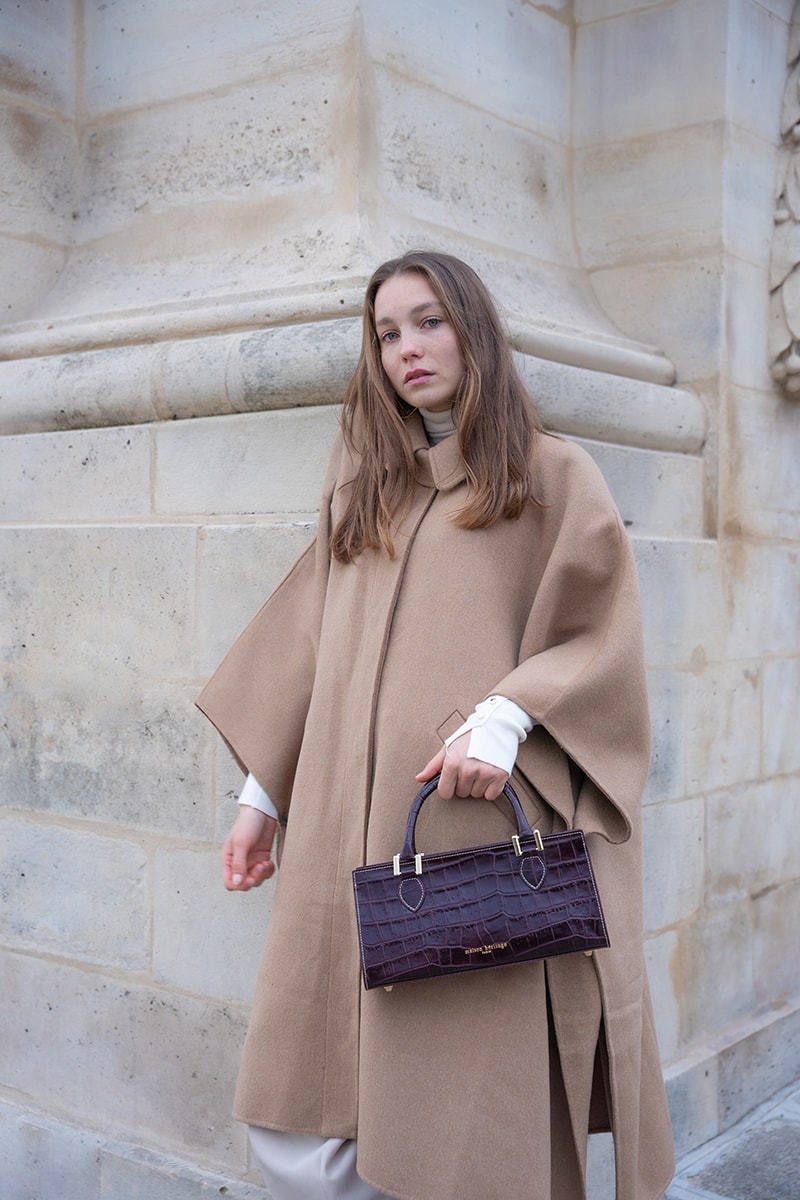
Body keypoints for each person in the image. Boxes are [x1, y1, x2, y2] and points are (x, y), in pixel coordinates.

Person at [196, 250, 675, 1200]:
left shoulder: (551, 477)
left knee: (462, 1120)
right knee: (303, 1117)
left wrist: (505, 717)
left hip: (466, 850)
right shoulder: (364, 488)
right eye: (386, 334)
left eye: (428, 322)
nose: (406, 348)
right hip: (340, 837)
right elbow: (308, 648)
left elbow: (600, 636)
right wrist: (261, 798)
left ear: (472, 329)